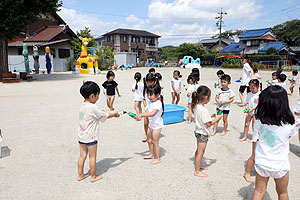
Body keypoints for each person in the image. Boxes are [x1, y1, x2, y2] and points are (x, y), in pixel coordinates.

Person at [252, 86, 296, 200]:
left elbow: (257, 132)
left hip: (262, 162)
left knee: (258, 191)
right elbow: (289, 135)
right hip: (280, 164)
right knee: (282, 193)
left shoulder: (258, 120)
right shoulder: (290, 123)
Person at [77, 81, 120, 182]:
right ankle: (93, 176)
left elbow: (100, 113)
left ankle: (80, 175)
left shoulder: (83, 105)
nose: (98, 97)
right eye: (97, 95)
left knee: (82, 155)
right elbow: (103, 116)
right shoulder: (93, 107)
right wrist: (114, 114)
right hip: (91, 137)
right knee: (92, 156)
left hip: (81, 136)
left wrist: (111, 112)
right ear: (92, 96)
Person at [191, 86, 222, 177]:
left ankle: (198, 165)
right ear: (205, 97)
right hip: (202, 133)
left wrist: (212, 115)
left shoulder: (197, 106)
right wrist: (217, 118)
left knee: (199, 150)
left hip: (198, 131)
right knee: (201, 152)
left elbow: (203, 117)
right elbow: (208, 124)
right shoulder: (203, 109)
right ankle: (197, 171)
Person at [136, 83, 164, 165]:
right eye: (148, 94)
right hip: (150, 125)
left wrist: (141, 114)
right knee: (149, 140)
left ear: (158, 95)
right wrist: (139, 116)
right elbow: (147, 112)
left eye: (151, 95)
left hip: (156, 126)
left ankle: (158, 158)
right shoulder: (150, 102)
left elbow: (152, 114)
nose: (149, 96)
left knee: (155, 142)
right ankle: (151, 154)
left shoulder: (158, 103)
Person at [142, 73, 158, 142]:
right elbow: (143, 99)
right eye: (148, 82)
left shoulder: (156, 89)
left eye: (151, 82)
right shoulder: (145, 89)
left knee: (154, 124)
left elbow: (159, 99)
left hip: (154, 109)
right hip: (147, 109)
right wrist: (146, 108)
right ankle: (147, 136)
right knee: (146, 124)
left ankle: (153, 136)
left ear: (154, 81)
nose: (149, 84)